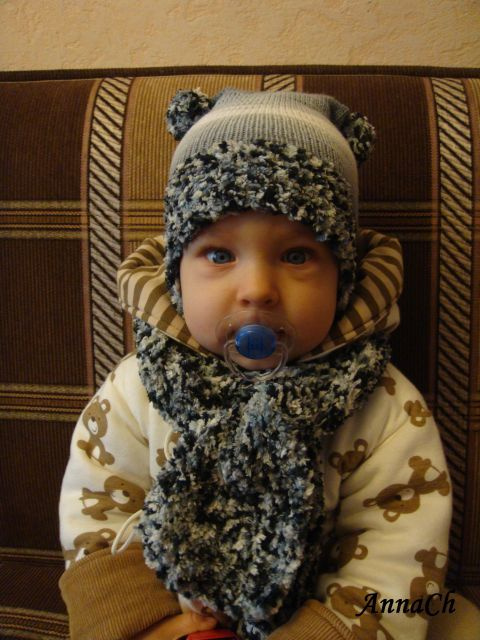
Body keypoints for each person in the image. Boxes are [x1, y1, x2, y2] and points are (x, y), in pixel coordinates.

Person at [59, 88, 452, 640]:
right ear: (176, 273)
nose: (258, 289)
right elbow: (98, 511)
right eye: (219, 255)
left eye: (297, 255)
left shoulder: (383, 406)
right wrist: (154, 625)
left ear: (343, 277)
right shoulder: (135, 390)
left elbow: (399, 550)